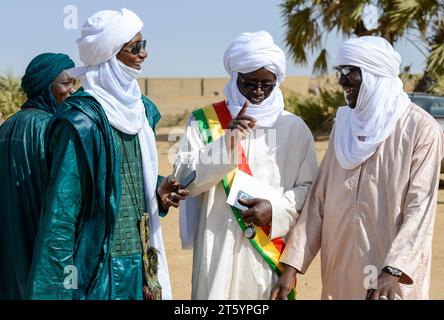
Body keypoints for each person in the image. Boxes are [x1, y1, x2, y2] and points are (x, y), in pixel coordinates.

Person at [27, 8, 188, 300]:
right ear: (110, 55)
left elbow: (127, 181)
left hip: (143, 266)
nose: (144, 55)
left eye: (144, 44)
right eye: (135, 47)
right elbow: (61, 213)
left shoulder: (142, 111)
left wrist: (157, 191)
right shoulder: (80, 122)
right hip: (98, 273)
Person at [271, 36, 444, 300]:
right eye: (340, 71)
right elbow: (318, 201)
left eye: (350, 71)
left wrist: (392, 268)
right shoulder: (343, 127)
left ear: (375, 74)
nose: (341, 80)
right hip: (340, 266)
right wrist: (292, 266)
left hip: (387, 275)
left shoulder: (420, 129)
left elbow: (419, 209)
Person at [173, 31, 318, 299]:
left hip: (267, 252)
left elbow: (310, 189)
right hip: (217, 248)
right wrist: (226, 142)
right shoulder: (205, 121)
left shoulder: (294, 128)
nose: (258, 92)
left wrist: (275, 209)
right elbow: (183, 180)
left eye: (267, 84)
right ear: (235, 77)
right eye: (250, 83)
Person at [0, 53, 76, 299]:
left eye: (74, 83)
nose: (72, 90)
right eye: (66, 83)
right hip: (44, 247)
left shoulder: (6, 127)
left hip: (9, 251)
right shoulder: (53, 128)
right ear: (46, 87)